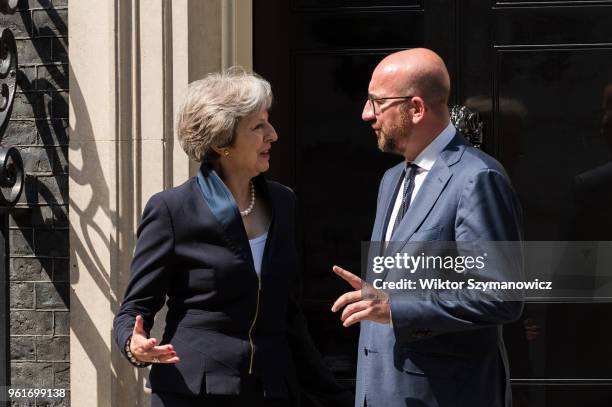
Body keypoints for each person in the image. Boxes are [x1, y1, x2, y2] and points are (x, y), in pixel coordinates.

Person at [114, 68, 352, 407]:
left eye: (268, 122)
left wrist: (333, 394)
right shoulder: (172, 209)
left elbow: (290, 316)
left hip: (273, 389)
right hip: (195, 392)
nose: (273, 134)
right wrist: (134, 344)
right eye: (258, 126)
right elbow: (134, 309)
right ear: (220, 141)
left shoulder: (284, 202)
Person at [330, 49, 524, 407]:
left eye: (377, 102)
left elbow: (501, 296)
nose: (366, 113)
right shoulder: (391, 180)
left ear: (415, 108)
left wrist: (398, 309)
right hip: (381, 390)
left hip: (443, 394)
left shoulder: (477, 178)